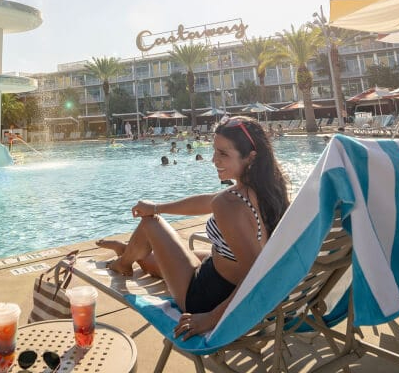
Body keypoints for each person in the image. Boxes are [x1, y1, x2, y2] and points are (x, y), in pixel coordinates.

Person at [97, 116, 289, 339]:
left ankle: (123, 262)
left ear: (250, 157)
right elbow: (206, 202)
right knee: (158, 259)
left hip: (205, 298)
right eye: (215, 151)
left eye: (223, 154)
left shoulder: (229, 203)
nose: (214, 160)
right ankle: (129, 251)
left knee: (150, 223)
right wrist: (157, 206)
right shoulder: (269, 188)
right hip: (218, 272)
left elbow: (257, 277)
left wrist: (210, 318)